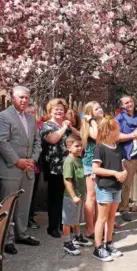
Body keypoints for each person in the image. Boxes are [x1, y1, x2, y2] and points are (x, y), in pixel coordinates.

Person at [0, 86, 42, 255]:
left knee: (24, 205)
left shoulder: (30, 119)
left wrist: (33, 160)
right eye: (20, 97)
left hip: (27, 169)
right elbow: (1, 141)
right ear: (12, 98)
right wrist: (17, 161)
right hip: (10, 169)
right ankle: (6, 239)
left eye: (26, 98)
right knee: (8, 206)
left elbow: (37, 141)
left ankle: (22, 234)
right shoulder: (3, 117)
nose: (24, 100)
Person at [92, 118, 127, 262]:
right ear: (109, 131)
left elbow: (121, 165)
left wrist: (123, 172)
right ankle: (98, 247)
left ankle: (109, 243)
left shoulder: (118, 147)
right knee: (102, 217)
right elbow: (95, 168)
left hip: (116, 187)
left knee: (112, 217)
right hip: (105, 187)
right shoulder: (100, 147)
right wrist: (114, 173)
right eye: (117, 129)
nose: (119, 132)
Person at [40, 98, 72, 238]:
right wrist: (64, 127)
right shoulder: (47, 125)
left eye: (61, 109)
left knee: (66, 196)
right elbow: (53, 139)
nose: (59, 111)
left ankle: (63, 223)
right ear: (50, 111)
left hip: (68, 165)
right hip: (54, 167)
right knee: (55, 197)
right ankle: (52, 227)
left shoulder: (67, 125)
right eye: (56, 109)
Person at [62, 134, 93, 256]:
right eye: (77, 146)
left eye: (81, 146)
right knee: (68, 221)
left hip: (80, 196)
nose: (80, 148)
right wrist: (74, 196)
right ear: (68, 148)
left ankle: (77, 237)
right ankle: (67, 242)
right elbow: (67, 180)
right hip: (71, 197)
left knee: (76, 219)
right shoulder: (69, 161)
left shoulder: (78, 159)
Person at [80, 101, 104, 238]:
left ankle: (98, 226)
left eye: (100, 107)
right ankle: (90, 229)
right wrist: (92, 121)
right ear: (90, 113)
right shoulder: (89, 126)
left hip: (103, 163)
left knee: (100, 197)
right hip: (91, 164)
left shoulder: (104, 123)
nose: (100, 109)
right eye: (96, 109)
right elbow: (97, 136)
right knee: (91, 196)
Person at [25, 105, 42, 229]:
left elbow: (38, 144)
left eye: (33, 112)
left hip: (35, 166)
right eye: (29, 112)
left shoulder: (39, 126)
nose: (31, 114)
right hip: (21, 165)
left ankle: (30, 217)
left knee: (32, 194)